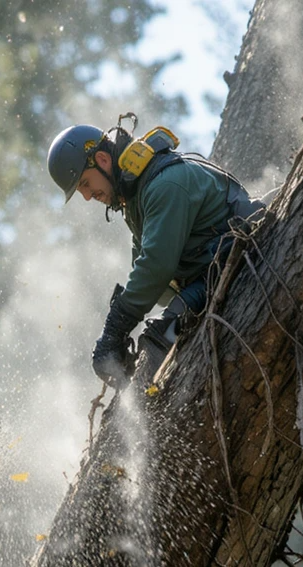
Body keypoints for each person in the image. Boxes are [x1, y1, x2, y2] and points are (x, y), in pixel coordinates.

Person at [46, 117, 263, 387]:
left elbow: (155, 268)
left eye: (86, 185)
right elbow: (151, 281)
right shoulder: (137, 199)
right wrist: (120, 332)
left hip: (243, 261)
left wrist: (114, 330)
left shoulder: (164, 185)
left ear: (102, 160)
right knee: (159, 336)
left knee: (160, 340)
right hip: (213, 274)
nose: (88, 197)